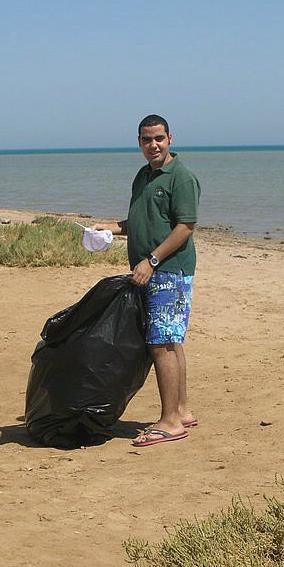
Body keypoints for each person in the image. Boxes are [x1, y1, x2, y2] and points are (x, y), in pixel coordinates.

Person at [94, 114, 201, 448]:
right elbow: (140, 220)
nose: (153, 145)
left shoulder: (180, 177)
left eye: (158, 139)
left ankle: (169, 422)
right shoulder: (143, 176)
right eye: (146, 140)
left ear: (170, 138)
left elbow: (185, 227)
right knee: (170, 341)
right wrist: (108, 228)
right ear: (138, 142)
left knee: (161, 344)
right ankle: (181, 410)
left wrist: (152, 261)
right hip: (153, 270)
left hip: (170, 270)